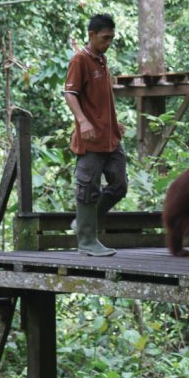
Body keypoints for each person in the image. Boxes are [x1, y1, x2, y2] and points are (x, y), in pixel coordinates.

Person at [63, 14, 128, 256]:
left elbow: (101, 99)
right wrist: (82, 121)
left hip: (110, 136)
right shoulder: (80, 60)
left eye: (111, 38)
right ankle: (87, 241)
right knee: (88, 189)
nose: (108, 42)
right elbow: (70, 94)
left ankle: (82, 223)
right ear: (91, 35)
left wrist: (115, 122)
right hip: (90, 140)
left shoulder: (102, 60)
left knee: (119, 185)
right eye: (105, 38)